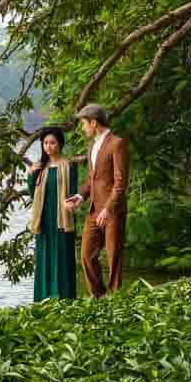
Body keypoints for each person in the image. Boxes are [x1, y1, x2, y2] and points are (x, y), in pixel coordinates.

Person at [65, 104, 129, 297]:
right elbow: (92, 179)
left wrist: (109, 209)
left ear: (94, 122)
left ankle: (116, 298)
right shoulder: (92, 145)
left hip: (112, 210)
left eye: (84, 124)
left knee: (113, 256)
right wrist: (79, 196)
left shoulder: (117, 143)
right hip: (94, 210)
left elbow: (121, 183)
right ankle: (99, 296)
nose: (83, 128)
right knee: (86, 255)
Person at [27, 126, 78, 301]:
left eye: (52, 142)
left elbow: (73, 193)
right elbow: (32, 194)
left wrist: (70, 203)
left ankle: (64, 298)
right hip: (44, 220)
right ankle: (43, 299)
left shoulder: (69, 165)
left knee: (63, 260)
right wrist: (31, 175)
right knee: (45, 260)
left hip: (62, 219)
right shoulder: (41, 167)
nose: (48, 146)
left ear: (60, 144)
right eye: (45, 143)